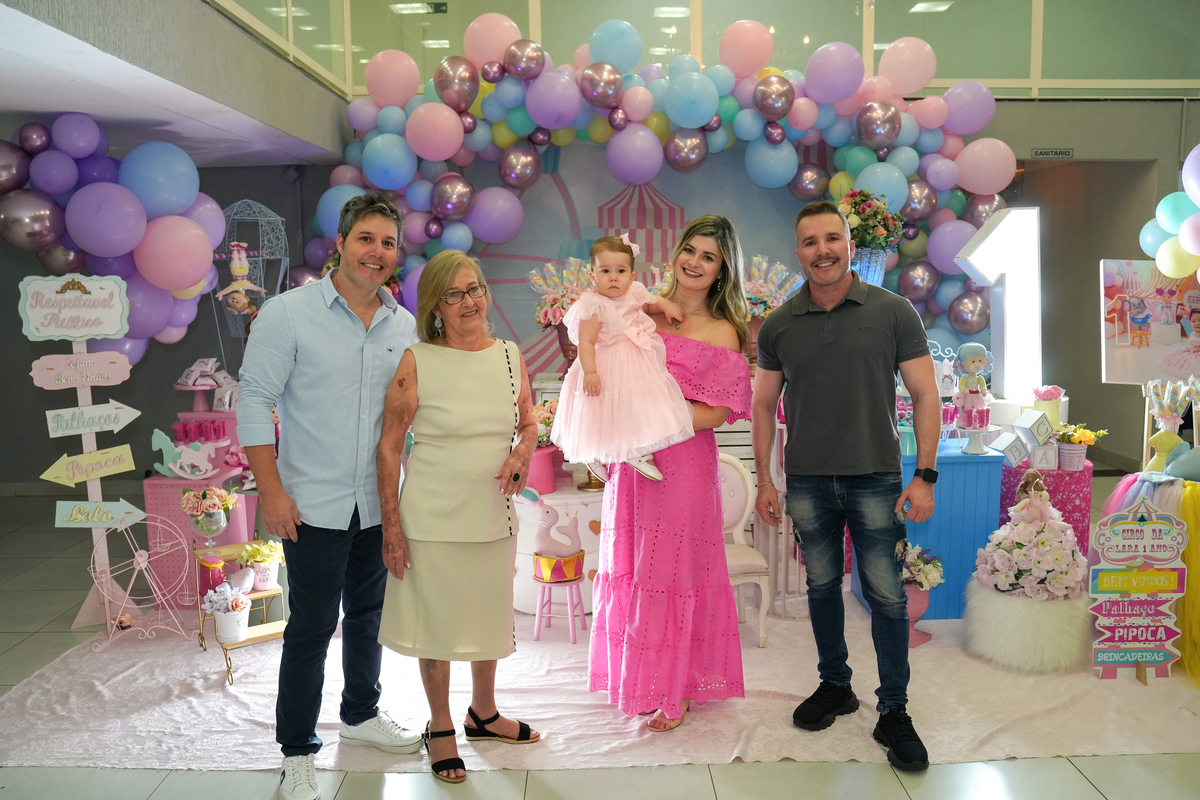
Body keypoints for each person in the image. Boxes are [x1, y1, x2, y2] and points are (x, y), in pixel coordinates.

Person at [237, 194, 422, 800]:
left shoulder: (403, 325)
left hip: (379, 504)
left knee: (369, 617)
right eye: (366, 238)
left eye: (388, 243)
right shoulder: (288, 314)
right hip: (311, 504)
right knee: (312, 627)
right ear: (340, 243)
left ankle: (361, 714)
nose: (377, 252)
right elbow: (254, 400)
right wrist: (271, 492)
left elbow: (411, 419)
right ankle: (296, 750)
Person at [752, 200, 940, 772]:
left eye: (832, 238)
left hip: (876, 477)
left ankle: (894, 710)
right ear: (799, 252)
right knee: (821, 586)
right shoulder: (780, 323)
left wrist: (925, 475)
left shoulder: (893, 311)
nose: (823, 250)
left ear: (849, 246)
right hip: (807, 480)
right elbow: (762, 404)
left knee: (886, 595)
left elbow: (925, 394)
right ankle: (835, 684)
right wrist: (764, 479)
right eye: (810, 242)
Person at [376, 249, 542, 784]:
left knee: (486, 616)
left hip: (492, 512)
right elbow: (389, 446)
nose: (469, 301)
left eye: (475, 289)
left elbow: (529, 422)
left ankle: (484, 714)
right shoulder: (417, 360)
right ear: (436, 307)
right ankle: (441, 725)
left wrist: (522, 453)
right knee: (437, 623)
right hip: (431, 517)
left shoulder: (510, 355)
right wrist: (392, 527)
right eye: (454, 294)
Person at [588, 215, 752, 732]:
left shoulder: (723, 331)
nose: (695, 263)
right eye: (690, 250)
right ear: (675, 253)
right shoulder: (638, 310)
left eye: (709, 256)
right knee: (632, 566)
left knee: (672, 572)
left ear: (722, 270)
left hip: (682, 464)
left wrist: (654, 412)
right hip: (631, 462)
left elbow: (718, 413)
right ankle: (640, 681)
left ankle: (675, 690)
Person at [550, 234, 694, 482]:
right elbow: (586, 341)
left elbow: (650, 303)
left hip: (635, 358)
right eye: (605, 271)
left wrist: (666, 306)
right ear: (593, 276)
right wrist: (590, 372)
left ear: (632, 276)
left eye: (621, 271)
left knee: (638, 405)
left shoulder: (634, 292)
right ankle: (593, 454)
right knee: (600, 411)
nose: (613, 277)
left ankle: (637, 451)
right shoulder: (594, 305)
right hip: (605, 363)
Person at [1160, 307, 1200, 379]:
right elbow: (1198, 347)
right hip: (1197, 354)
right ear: (1190, 322)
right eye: (1194, 321)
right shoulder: (1194, 335)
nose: (1197, 323)